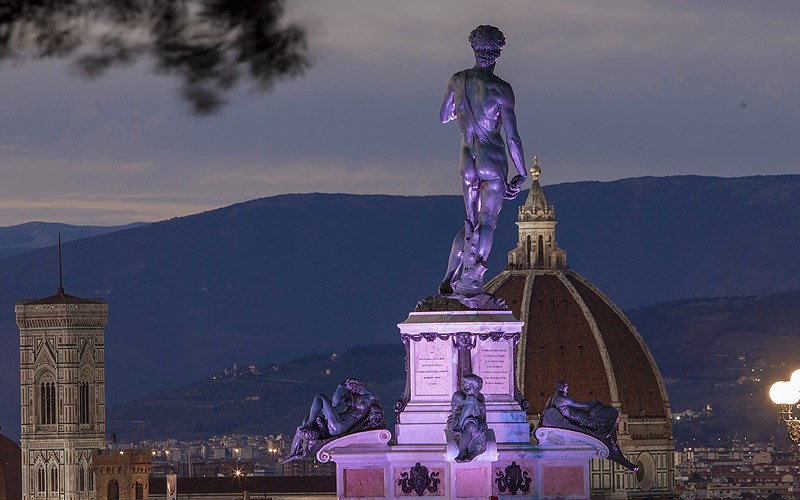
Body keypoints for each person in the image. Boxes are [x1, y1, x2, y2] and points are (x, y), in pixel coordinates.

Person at [439, 25, 527, 296]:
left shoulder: (457, 79)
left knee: (470, 222)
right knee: (487, 221)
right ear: (498, 53)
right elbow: (512, 137)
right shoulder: (501, 89)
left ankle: (449, 277)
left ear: (474, 49)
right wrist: (521, 172)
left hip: (468, 157)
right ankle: (472, 280)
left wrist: (462, 109)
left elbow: (444, 116)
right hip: (492, 159)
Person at [284, 378, 385, 462]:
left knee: (320, 397)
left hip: (340, 426)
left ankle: (309, 425)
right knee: (302, 426)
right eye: (349, 387)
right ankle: (292, 454)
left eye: (352, 386)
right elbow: (335, 403)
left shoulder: (371, 397)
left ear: (358, 384)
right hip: (336, 421)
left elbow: (377, 415)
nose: (351, 389)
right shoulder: (351, 395)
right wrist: (340, 387)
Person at [449, 374, 488, 462]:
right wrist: (472, 400)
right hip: (458, 420)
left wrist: (474, 401)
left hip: (476, 423)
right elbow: (465, 405)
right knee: (470, 401)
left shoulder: (480, 397)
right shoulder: (458, 395)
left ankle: (466, 454)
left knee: (471, 426)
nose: (465, 388)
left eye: (469, 386)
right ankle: (462, 452)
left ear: (476, 388)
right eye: (464, 385)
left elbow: (480, 414)